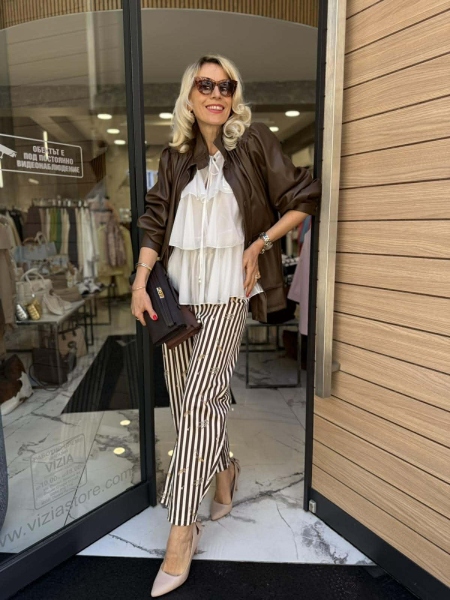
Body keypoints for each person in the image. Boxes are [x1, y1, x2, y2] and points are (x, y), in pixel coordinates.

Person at [131, 54, 321, 597]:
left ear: (234, 95)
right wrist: (141, 281)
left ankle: (180, 532)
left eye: (226, 85)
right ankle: (226, 470)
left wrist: (261, 243)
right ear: (189, 95)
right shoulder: (174, 157)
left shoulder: (254, 141)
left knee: (200, 400)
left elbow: (305, 197)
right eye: (205, 85)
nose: (217, 93)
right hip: (177, 300)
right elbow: (154, 221)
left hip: (229, 295)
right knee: (189, 404)